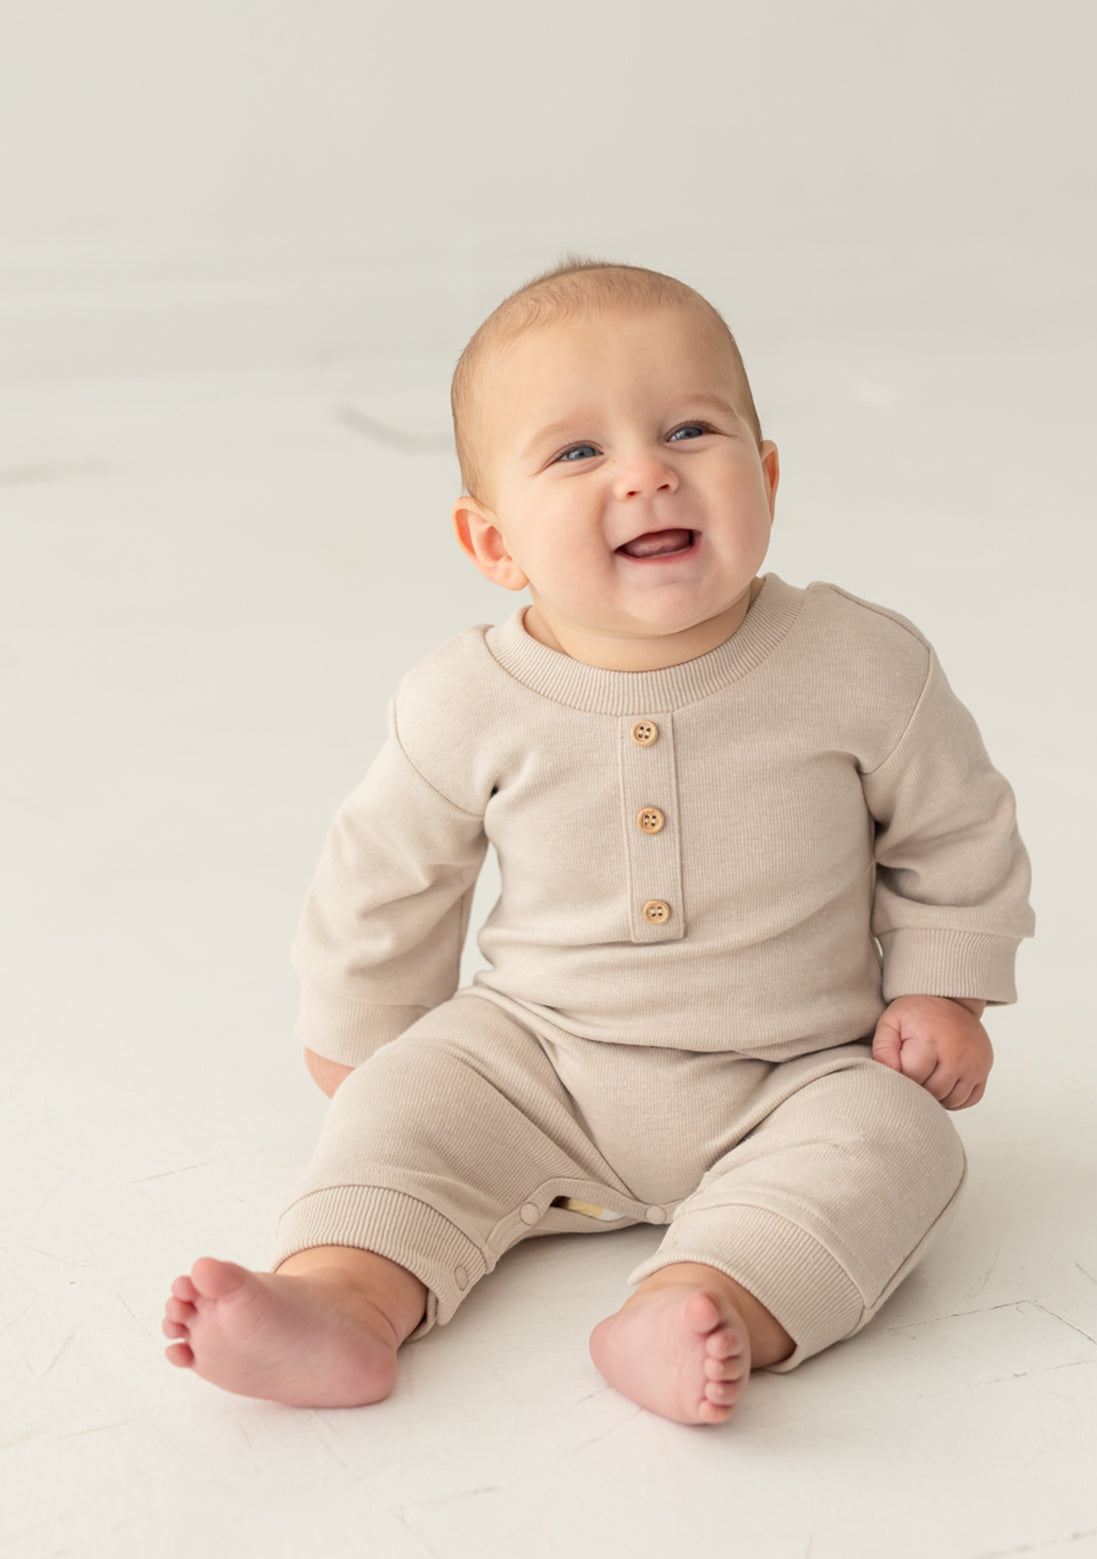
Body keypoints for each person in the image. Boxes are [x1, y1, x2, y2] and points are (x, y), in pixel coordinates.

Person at [162, 257, 1034, 1426]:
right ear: (492, 542)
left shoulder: (862, 665)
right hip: (536, 1058)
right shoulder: (465, 698)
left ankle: (698, 1301)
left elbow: (957, 829)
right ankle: (342, 1298)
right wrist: (361, 1032)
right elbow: (386, 875)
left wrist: (944, 988)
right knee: (401, 1105)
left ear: (767, 475)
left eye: (690, 429)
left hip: (797, 1069)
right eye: (578, 451)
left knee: (900, 1139)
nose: (647, 472)